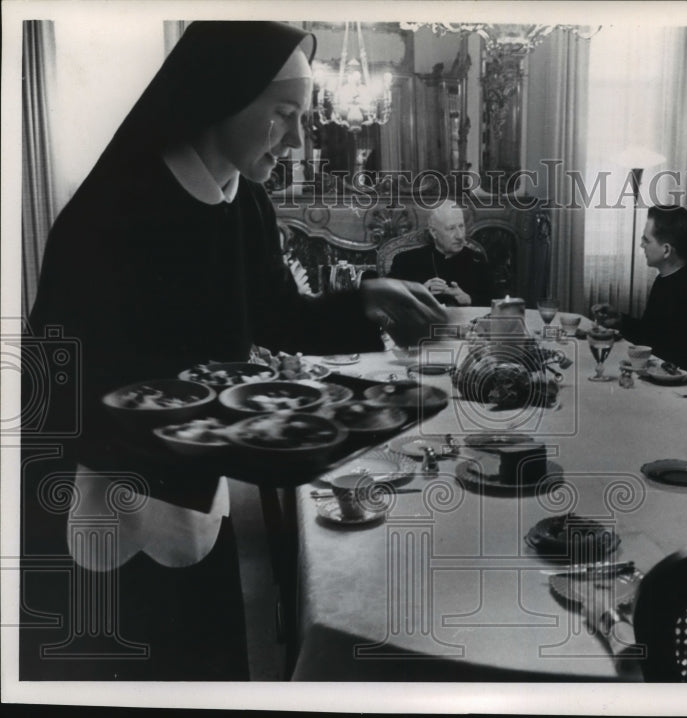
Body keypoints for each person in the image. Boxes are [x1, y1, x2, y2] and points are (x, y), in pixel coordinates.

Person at [21, 21, 446, 681]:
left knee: (209, 667)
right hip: (105, 500)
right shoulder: (110, 210)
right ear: (224, 98)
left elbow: (279, 316)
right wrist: (234, 428)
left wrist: (368, 298)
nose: (298, 140)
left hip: (196, 493)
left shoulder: (247, 204)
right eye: (284, 115)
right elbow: (55, 381)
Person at [592, 205, 687, 391]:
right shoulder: (665, 279)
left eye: (646, 240)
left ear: (666, 250)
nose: (641, 245)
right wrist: (620, 320)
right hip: (667, 383)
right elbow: (653, 335)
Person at [388, 201, 496, 306]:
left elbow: (495, 300)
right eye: (451, 228)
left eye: (461, 226)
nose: (459, 236)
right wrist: (420, 293)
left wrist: (468, 299)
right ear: (434, 232)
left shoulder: (477, 260)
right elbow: (386, 298)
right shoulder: (406, 261)